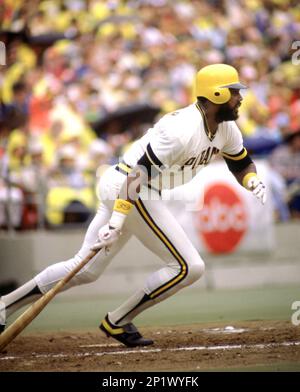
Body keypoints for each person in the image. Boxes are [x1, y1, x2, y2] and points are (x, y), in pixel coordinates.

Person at [0, 64, 267, 347]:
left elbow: (240, 162)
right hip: (132, 188)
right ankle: (118, 320)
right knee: (190, 267)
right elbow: (137, 176)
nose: (240, 98)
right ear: (216, 93)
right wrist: (116, 222)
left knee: (85, 269)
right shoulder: (181, 129)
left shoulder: (226, 129)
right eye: (234, 92)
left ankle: (4, 305)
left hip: (129, 187)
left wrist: (250, 179)